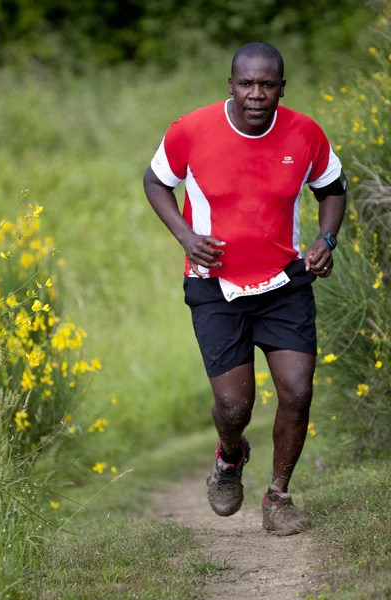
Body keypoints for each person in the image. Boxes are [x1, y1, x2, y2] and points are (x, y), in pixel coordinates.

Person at [143, 42, 346, 536]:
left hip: (284, 281)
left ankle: (278, 497)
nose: (257, 94)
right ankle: (230, 457)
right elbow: (154, 182)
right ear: (230, 85)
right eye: (247, 83)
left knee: (297, 392)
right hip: (214, 286)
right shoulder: (191, 130)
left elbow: (333, 189)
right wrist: (186, 237)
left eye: (267, 85)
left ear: (282, 87)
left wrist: (325, 239)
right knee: (235, 405)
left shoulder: (306, 133)